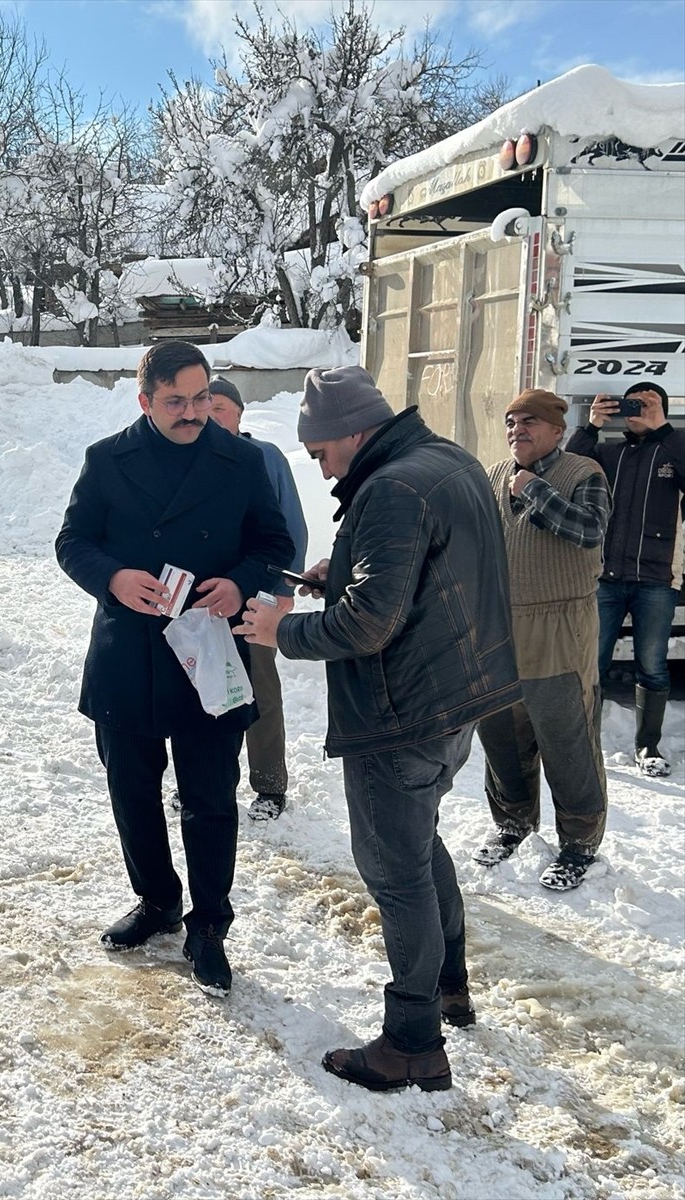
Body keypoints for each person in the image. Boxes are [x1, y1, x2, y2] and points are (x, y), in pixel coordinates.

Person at [234, 365, 521, 1094]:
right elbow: (424, 572)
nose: (317, 465)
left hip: (400, 713)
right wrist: (352, 569)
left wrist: (281, 629)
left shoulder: (391, 487)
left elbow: (369, 623)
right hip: (455, 698)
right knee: (418, 847)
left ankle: (411, 1042)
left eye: (320, 452)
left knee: (396, 875)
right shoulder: (442, 460)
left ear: (351, 433)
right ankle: (447, 986)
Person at [55, 341, 293, 998]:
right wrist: (113, 577)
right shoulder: (107, 460)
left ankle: (209, 924)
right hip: (127, 653)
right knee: (132, 792)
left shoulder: (240, 460)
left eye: (198, 398)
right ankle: (156, 901)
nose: (191, 413)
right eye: (175, 402)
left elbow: (274, 545)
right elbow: (72, 542)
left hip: (209, 653)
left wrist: (239, 584)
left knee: (210, 800)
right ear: (145, 401)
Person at [474, 389, 612, 891]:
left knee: (566, 737)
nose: (517, 430)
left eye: (530, 421)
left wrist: (534, 490)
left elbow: (590, 530)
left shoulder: (583, 473)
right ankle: (512, 822)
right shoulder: (492, 477)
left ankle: (578, 842)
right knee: (501, 736)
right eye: (511, 422)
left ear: (557, 428)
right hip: (498, 626)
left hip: (559, 627)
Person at [198, 375, 308, 820]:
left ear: (240, 415)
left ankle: (268, 785)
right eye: (207, 406)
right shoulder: (191, 460)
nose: (210, 414)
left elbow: (291, 528)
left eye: (220, 407)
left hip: (255, 598)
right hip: (203, 602)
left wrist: (280, 591)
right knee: (205, 688)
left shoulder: (264, 457)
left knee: (259, 687)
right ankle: (204, 778)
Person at [566, 382, 685, 777]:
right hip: (604, 577)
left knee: (652, 665)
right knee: (591, 663)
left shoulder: (673, 449)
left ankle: (648, 746)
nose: (639, 409)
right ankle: (583, 742)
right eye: (633, 403)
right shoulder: (608, 452)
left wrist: (663, 427)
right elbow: (568, 470)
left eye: (649, 403)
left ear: (664, 409)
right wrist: (592, 426)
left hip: (657, 578)